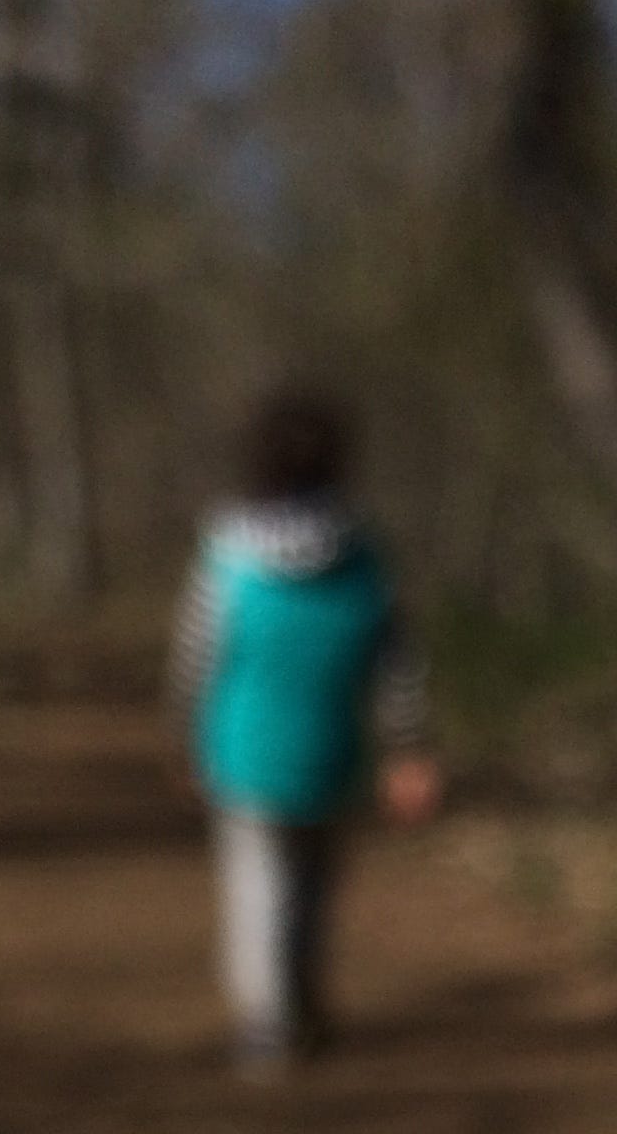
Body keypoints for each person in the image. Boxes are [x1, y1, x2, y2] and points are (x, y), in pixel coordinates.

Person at [168, 388, 440, 1072]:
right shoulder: (363, 553)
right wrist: (408, 748)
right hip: (333, 749)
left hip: (244, 750)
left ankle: (269, 1021)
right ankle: (303, 1002)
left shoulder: (227, 553)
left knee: (258, 888)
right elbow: (397, 663)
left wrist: (184, 733)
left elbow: (196, 656)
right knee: (315, 886)